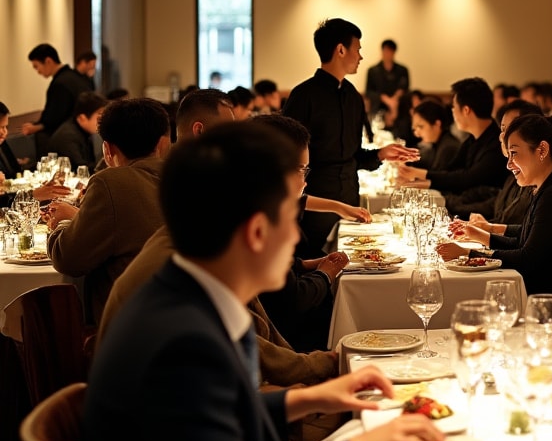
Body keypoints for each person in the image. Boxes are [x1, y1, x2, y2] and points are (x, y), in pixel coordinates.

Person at [84, 121, 445, 441]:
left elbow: (206, 427)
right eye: (289, 218)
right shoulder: (183, 339)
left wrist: (310, 398)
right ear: (256, 231)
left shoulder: (187, 291)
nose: (297, 235)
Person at [99, 90, 341, 390]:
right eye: (283, 218)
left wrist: (320, 373)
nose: (293, 235)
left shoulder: (204, 242)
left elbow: (259, 339)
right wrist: (322, 371)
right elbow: (225, 414)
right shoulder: (183, 277)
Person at [439, 113, 552, 326]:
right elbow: (526, 240)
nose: (509, 164)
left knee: (476, 314)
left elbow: (527, 259)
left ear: (542, 150)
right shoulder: (550, 185)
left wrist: (469, 253)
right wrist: (482, 235)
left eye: (514, 153)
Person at [283, 18, 418, 252]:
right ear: (341, 50)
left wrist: (381, 154)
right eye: (358, 49)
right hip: (314, 207)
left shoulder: (352, 96)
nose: (361, 56)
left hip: (349, 200)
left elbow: (355, 158)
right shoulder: (303, 96)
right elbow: (286, 158)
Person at [46, 97, 170, 323]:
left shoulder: (110, 182)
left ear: (107, 148)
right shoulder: (187, 176)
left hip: (128, 328)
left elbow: (68, 259)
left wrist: (63, 223)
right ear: (163, 143)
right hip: (184, 318)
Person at [252, 113, 351, 353]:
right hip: (282, 341)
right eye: (301, 169)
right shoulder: (258, 219)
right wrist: (325, 274)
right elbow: (290, 301)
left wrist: (305, 265)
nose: (305, 180)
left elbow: (273, 275)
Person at [397, 77, 507, 204]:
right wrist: (417, 179)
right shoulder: (472, 139)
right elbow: (450, 171)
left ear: (466, 110)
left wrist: (419, 174)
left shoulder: (496, 144)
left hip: (481, 215)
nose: (452, 111)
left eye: (454, 107)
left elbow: (467, 179)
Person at [447, 98, 543, 223]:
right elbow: (497, 202)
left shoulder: (536, 181)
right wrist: (456, 207)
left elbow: (515, 229)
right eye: (502, 129)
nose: (502, 136)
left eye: (509, 129)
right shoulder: (515, 172)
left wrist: (485, 228)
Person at [20, 43, 94, 150]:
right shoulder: (75, 76)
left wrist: (38, 126)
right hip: (83, 135)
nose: (38, 71)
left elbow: (56, 116)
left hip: (68, 140)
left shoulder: (60, 83)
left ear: (48, 61)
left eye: (37, 66)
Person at [46, 91, 106, 171]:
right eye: (99, 118)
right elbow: (80, 169)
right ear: (82, 118)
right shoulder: (68, 136)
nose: (102, 122)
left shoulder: (82, 131)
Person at [364, 38, 410, 130]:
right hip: (378, 109)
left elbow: (405, 88)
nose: (387, 54)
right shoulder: (373, 71)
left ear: (394, 52)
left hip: (399, 110)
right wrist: (385, 98)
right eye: (385, 51)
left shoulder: (402, 70)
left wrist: (394, 100)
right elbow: (368, 91)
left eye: (390, 51)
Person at [410, 97, 461, 172]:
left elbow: (439, 179)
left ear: (437, 124)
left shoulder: (449, 148)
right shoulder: (439, 143)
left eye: (420, 127)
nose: (417, 133)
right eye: (415, 128)